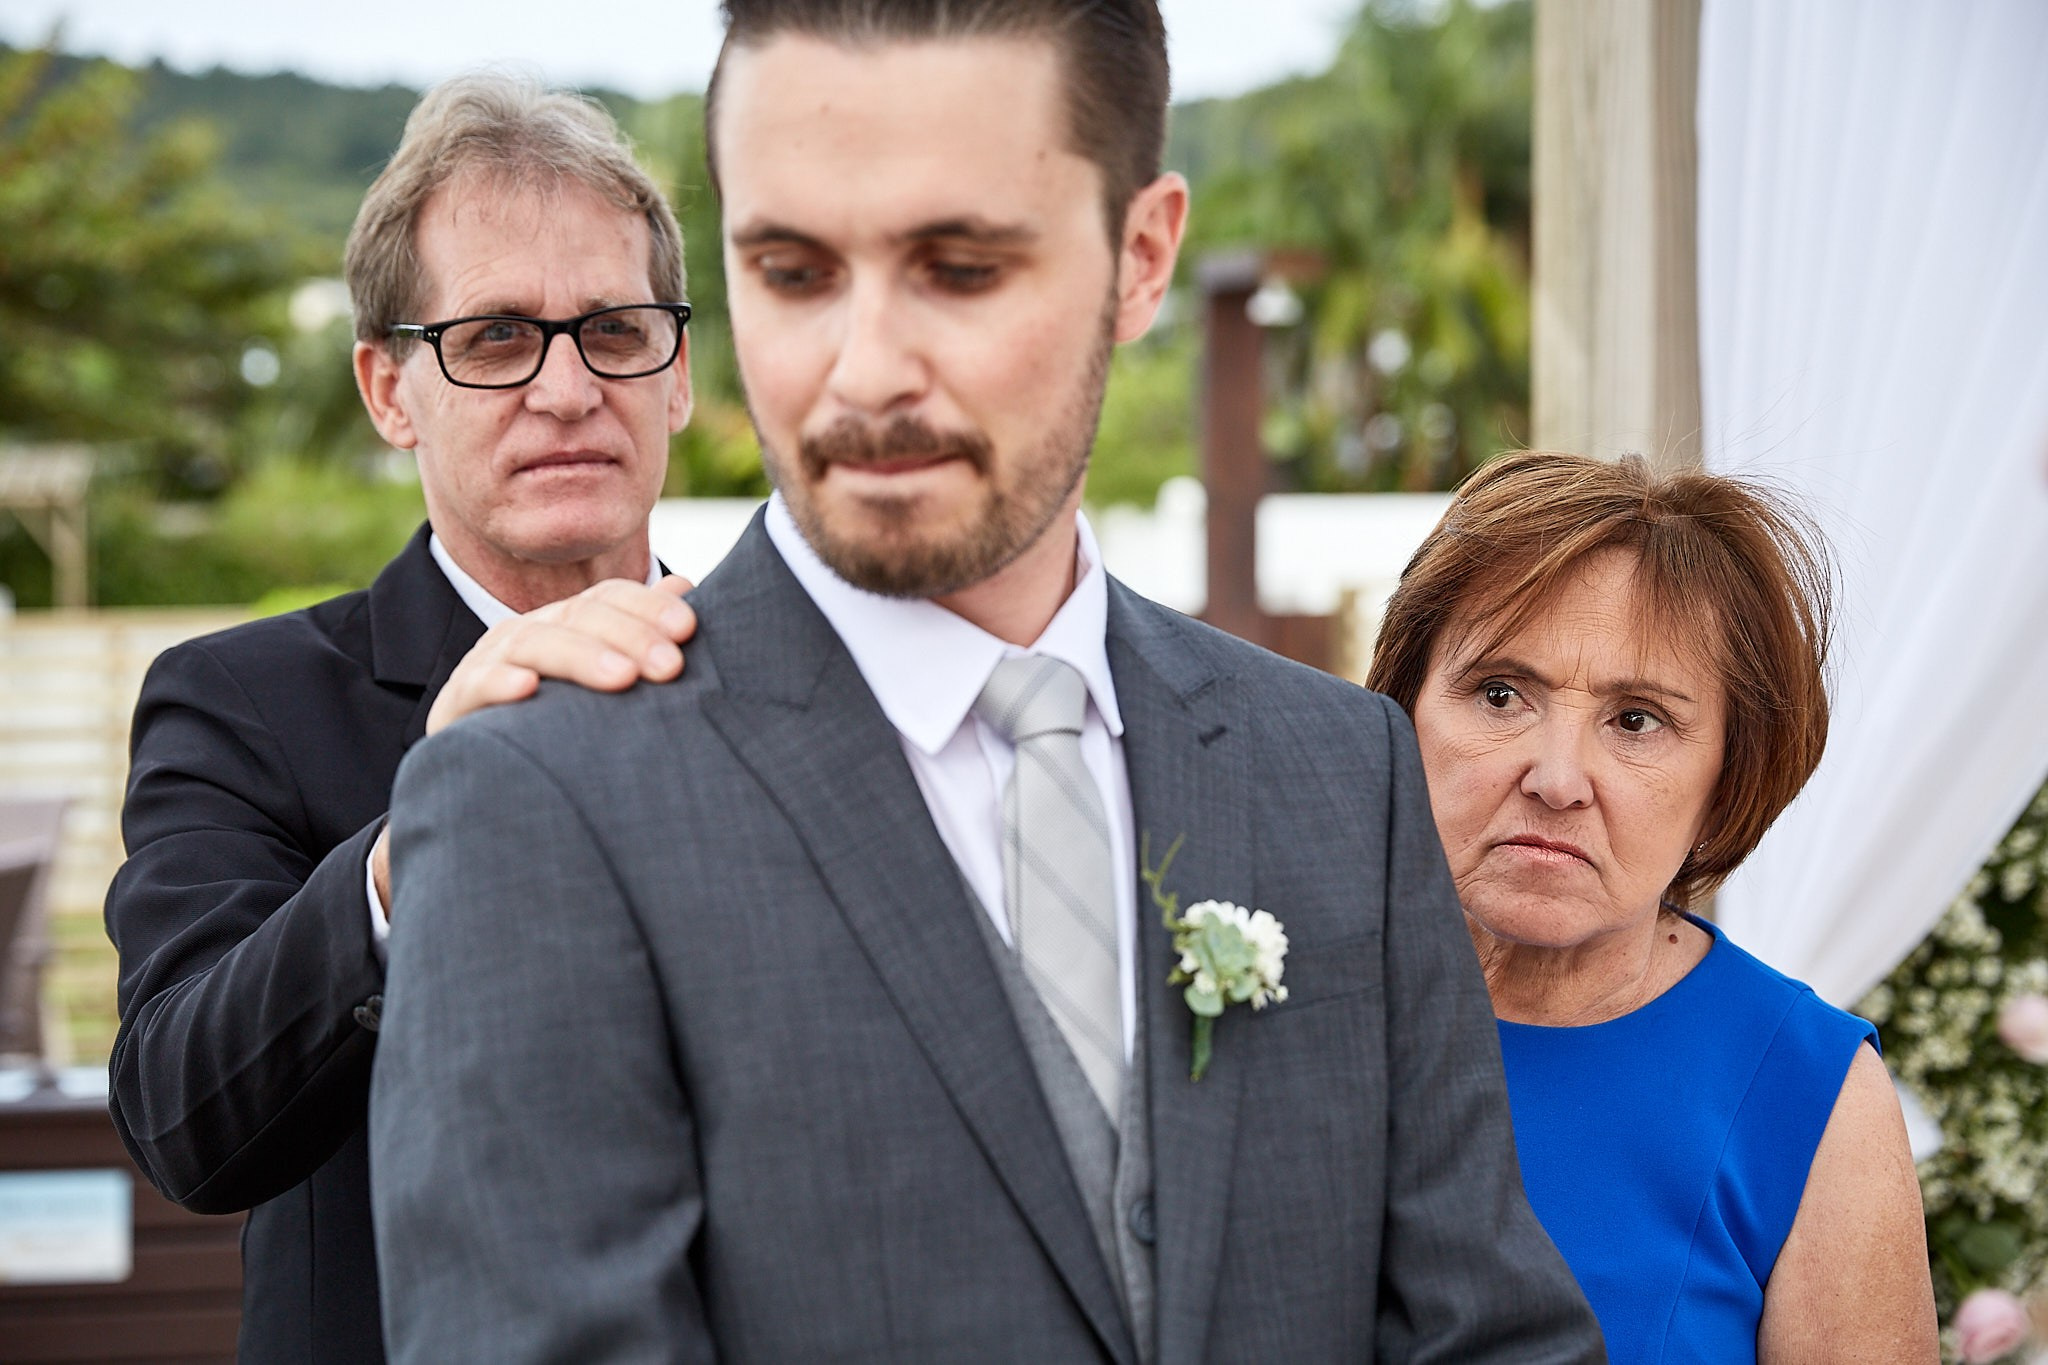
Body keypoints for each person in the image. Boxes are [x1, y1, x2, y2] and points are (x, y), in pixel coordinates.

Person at [368, 3, 1606, 1361]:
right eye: (791, 272)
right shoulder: (535, 804)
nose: (865, 372)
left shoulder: (1340, 770)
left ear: (1140, 259)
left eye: (958, 269)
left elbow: (1489, 1333)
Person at [103, 74, 701, 1363]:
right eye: (494, 337)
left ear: (679, 376)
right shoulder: (243, 705)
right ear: (386, 391)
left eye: (614, 329)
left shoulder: (783, 682)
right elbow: (184, 1119)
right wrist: (413, 834)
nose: (566, 389)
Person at [1366, 450, 1939, 1363]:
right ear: (1401, 710)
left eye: (1636, 719)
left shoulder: (1808, 1096)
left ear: (1728, 779)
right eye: (1501, 693)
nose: (1557, 779)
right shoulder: (1280, 997)